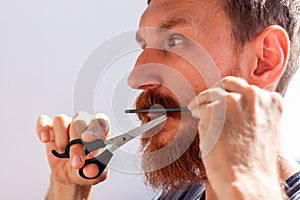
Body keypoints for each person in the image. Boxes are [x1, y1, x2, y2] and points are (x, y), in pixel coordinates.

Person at [36, 0, 300, 199]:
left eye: (175, 40)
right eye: (144, 46)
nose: (136, 78)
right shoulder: (182, 194)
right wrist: (66, 190)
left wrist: (250, 185)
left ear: (265, 59)